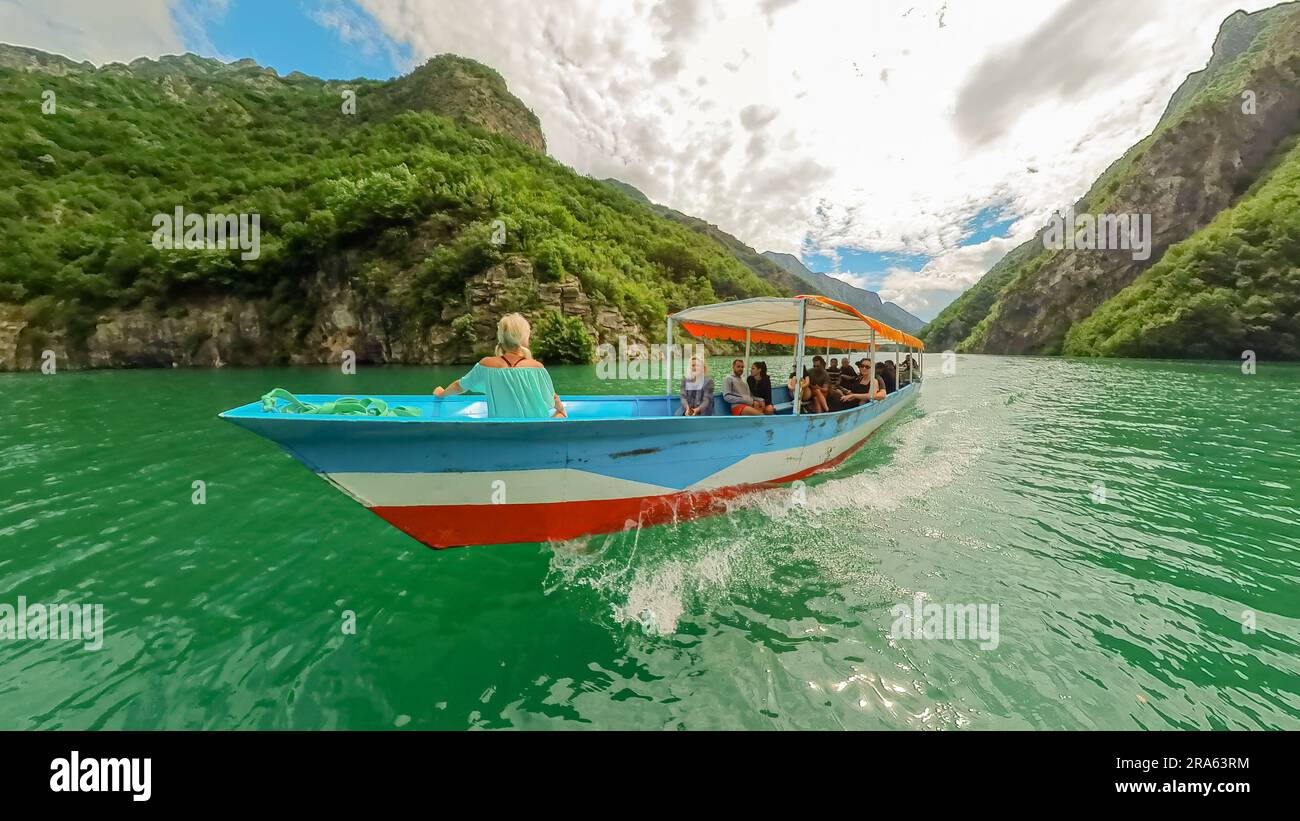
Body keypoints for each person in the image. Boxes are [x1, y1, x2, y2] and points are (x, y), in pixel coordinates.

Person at [432, 314, 567, 418]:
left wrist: (441, 394)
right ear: (525, 338)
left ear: (501, 337)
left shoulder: (486, 364)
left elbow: (460, 386)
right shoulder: (537, 367)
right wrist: (560, 408)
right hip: (536, 428)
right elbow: (551, 398)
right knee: (562, 413)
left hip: (500, 429)